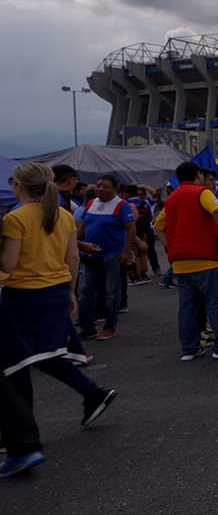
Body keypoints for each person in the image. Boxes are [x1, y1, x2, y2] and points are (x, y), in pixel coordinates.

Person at [1, 163, 117, 435]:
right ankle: (92, 393)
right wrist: (70, 290)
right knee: (42, 355)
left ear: (18, 186)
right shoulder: (63, 215)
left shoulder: (15, 219)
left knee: (16, 361)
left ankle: (20, 431)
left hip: (22, 293)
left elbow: (8, 263)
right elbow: (73, 257)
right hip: (55, 289)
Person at [159, 162, 218, 361]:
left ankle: (189, 349)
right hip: (205, 258)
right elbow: (217, 212)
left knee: (187, 307)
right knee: (215, 303)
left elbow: (158, 225)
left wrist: (169, 244)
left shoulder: (172, 197)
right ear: (197, 175)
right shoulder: (202, 193)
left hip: (180, 261)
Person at [74, 174, 139, 339]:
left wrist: (126, 252)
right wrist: (76, 242)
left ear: (115, 189)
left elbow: (130, 229)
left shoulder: (122, 205)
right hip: (90, 255)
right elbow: (83, 226)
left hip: (112, 256)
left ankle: (110, 327)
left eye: (105, 186)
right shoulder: (91, 203)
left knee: (111, 293)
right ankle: (88, 328)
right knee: (85, 292)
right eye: (98, 185)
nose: (100, 189)